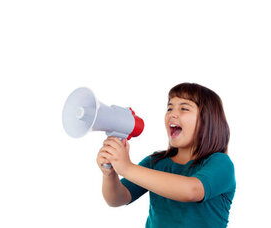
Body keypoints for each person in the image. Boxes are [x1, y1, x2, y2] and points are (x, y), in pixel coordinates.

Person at [97, 82, 235, 227]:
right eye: (169, 108)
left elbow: (191, 191)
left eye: (184, 108)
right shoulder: (156, 162)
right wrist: (110, 174)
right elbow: (116, 199)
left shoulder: (221, 163)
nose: (172, 114)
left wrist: (127, 168)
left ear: (207, 120)